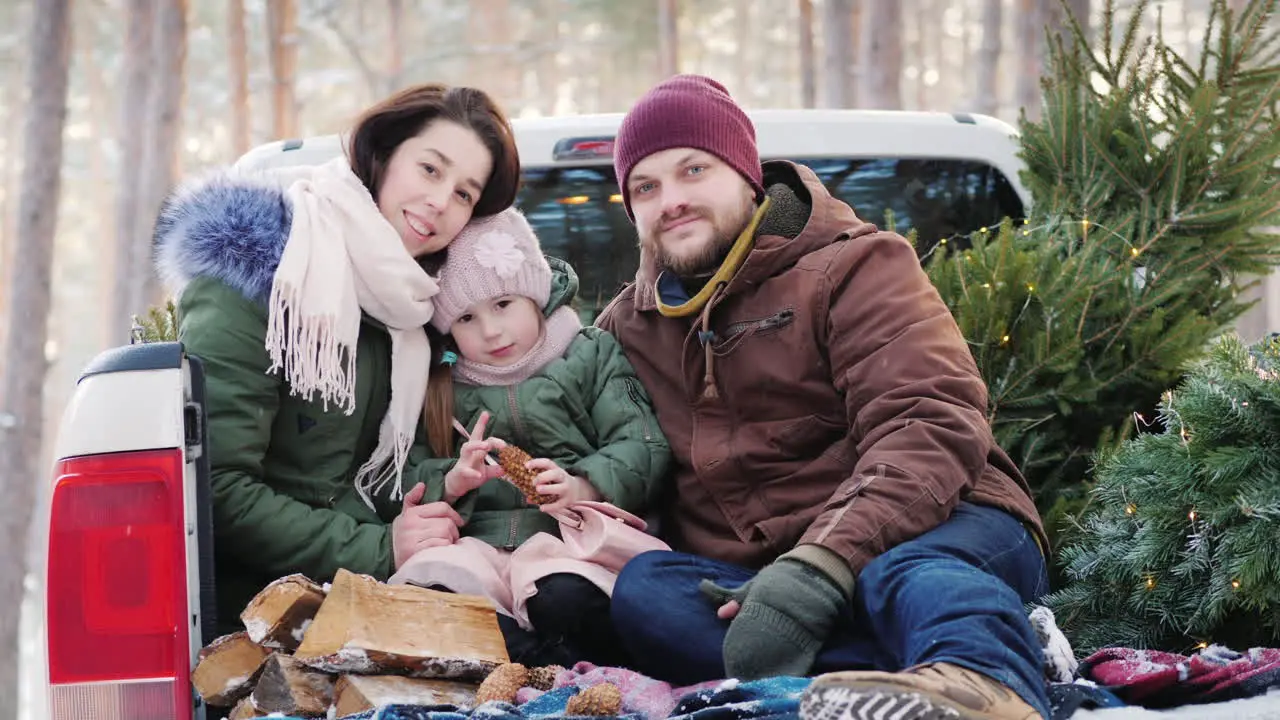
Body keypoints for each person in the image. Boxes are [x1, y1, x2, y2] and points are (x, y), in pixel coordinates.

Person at [595, 74, 1052, 720]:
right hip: (762, 577)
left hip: (942, 521)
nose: (671, 200)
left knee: (898, 575)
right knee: (645, 591)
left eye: (692, 170)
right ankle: (892, 682)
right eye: (646, 186)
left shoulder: (856, 266)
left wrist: (822, 562)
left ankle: (983, 683)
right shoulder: (627, 329)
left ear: (745, 174)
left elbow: (929, 422)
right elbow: (575, 441)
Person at [152, 84, 521, 636]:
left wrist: (442, 495)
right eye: (430, 169)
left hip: (365, 602)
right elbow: (216, 490)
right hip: (260, 621)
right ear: (383, 155)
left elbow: (362, 479)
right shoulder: (261, 279)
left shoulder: (409, 315)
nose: (442, 201)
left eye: (465, 194)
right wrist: (381, 546)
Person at [386, 207, 671, 668]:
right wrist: (452, 481)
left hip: (565, 539)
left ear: (535, 297)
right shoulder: (440, 383)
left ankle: (554, 663)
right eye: (466, 319)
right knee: (435, 590)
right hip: (476, 542)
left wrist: (583, 485)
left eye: (503, 305)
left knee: (563, 598)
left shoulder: (588, 354)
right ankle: (529, 666)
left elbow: (642, 444)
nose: (491, 331)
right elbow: (400, 469)